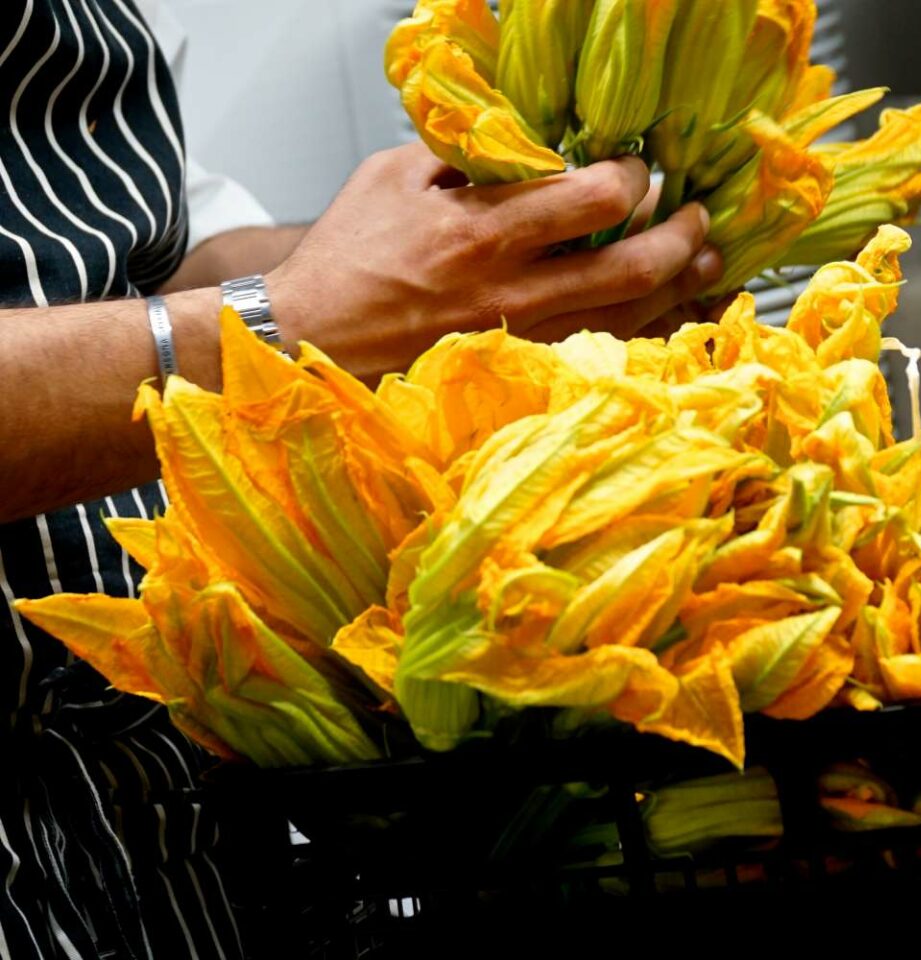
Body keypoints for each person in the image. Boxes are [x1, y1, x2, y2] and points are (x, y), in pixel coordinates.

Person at [0, 1, 722, 956]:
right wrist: (280, 328)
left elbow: (160, 263)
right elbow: (265, 313)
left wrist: (512, 266)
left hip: (165, 807)